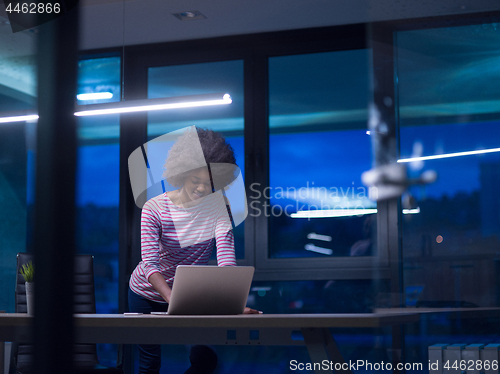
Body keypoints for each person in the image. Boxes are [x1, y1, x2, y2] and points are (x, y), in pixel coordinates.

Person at [128, 127, 259, 374]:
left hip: (190, 297)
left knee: (205, 360)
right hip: (146, 293)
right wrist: (173, 300)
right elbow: (149, 264)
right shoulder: (154, 207)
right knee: (149, 365)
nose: (201, 189)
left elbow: (226, 262)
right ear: (180, 174)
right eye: (195, 180)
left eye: (209, 184)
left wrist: (232, 304)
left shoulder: (218, 207)